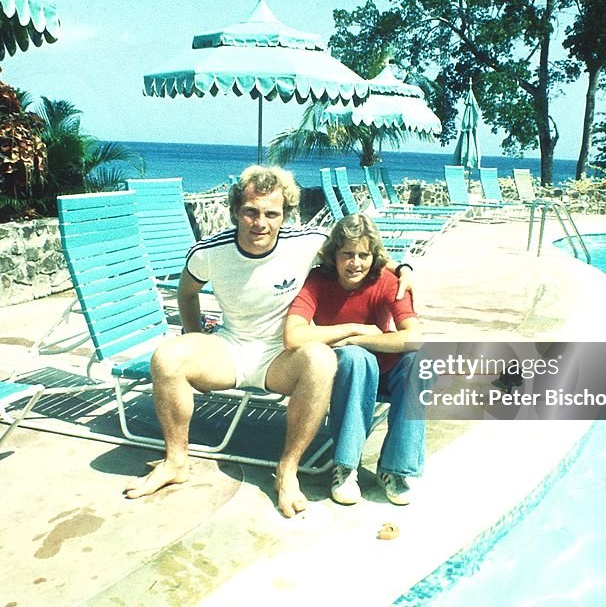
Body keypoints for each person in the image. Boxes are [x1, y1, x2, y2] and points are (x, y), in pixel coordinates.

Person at [123, 166, 413, 518]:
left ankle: (287, 470)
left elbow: (362, 252)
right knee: (167, 356)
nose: (260, 222)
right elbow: (187, 292)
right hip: (231, 346)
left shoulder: (307, 243)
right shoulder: (208, 252)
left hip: (282, 355)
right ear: (235, 211)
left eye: (271, 213)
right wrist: (194, 334)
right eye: (251, 211)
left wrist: (405, 269)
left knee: (321, 360)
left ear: (285, 215)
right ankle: (175, 461)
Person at [284, 214, 426, 506]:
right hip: (346, 372)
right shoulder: (319, 281)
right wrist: (350, 332)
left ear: (374, 257)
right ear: (334, 255)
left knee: (419, 362)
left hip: (385, 372)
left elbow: (413, 337)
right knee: (355, 358)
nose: (355, 263)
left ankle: (395, 470)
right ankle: (346, 467)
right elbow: (293, 337)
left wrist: (359, 338)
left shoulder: (387, 282)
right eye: (347, 254)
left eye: (363, 255)